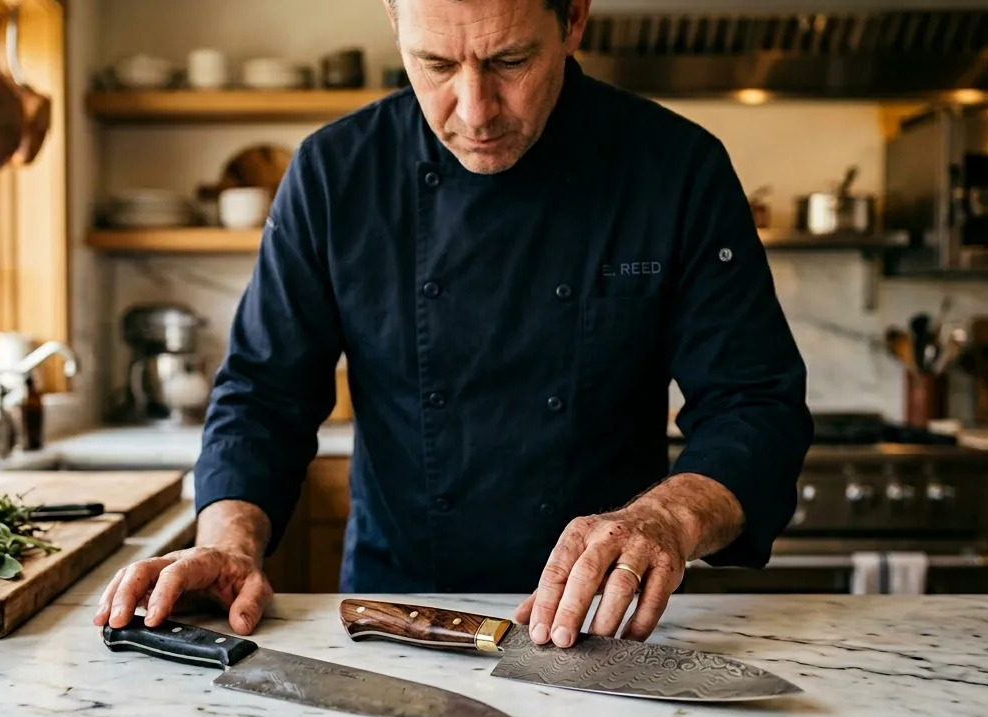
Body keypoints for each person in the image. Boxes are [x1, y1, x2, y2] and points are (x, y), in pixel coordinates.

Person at [94, 0, 812, 649]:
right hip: (396, 617)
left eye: (510, 62)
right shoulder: (335, 173)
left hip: (606, 626)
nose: (474, 110)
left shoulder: (676, 169)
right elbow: (263, 393)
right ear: (394, 25)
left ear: (574, 21)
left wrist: (667, 520)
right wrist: (229, 542)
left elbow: (754, 405)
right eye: (436, 64)